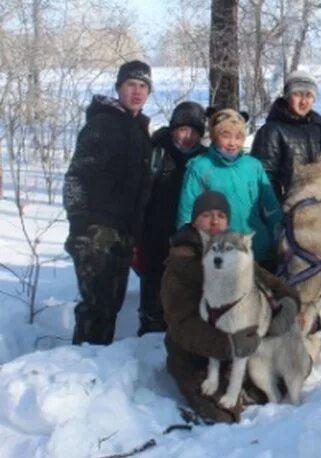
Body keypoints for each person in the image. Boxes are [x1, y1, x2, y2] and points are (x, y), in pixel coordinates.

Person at [161, 191, 300, 423]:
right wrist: (227, 345)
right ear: (194, 220)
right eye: (206, 215)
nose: (215, 222)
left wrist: (288, 305)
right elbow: (182, 325)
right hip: (195, 354)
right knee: (226, 415)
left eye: (221, 216)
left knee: (280, 384)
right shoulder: (180, 265)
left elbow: (276, 285)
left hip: (239, 349)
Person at [63, 60, 153, 345]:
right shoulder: (104, 124)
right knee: (95, 307)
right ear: (118, 88)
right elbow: (76, 176)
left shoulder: (138, 129)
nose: (137, 91)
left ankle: (97, 369)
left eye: (143, 86)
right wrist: (79, 226)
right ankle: (82, 367)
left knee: (110, 307)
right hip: (96, 231)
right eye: (130, 85)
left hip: (123, 232)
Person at [177, 109, 282, 267]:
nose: (233, 143)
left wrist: (280, 238)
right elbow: (187, 213)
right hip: (220, 254)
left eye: (238, 137)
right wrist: (189, 248)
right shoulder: (200, 167)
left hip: (258, 250)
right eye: (226, 136)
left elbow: (271, 208)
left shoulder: (253, 166)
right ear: (214, 136)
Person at [137, 100, 207, 336]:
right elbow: (141, 196)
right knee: (154, 291)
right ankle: (149, 333)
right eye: (183, 129)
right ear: (173, 128)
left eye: (194, 132)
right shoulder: (157, 152)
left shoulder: (204, 160)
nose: (187, 137)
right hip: (155, 235)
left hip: (191, 239)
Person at [250, 70, 321, 200]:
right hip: (288, 207)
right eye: (297, 94)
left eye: (308, 95)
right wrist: (275, 212)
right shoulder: (272, 131)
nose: (303, 101)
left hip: (320, 205)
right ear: (287, 96)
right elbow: (264, 177)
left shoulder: (319, 128)